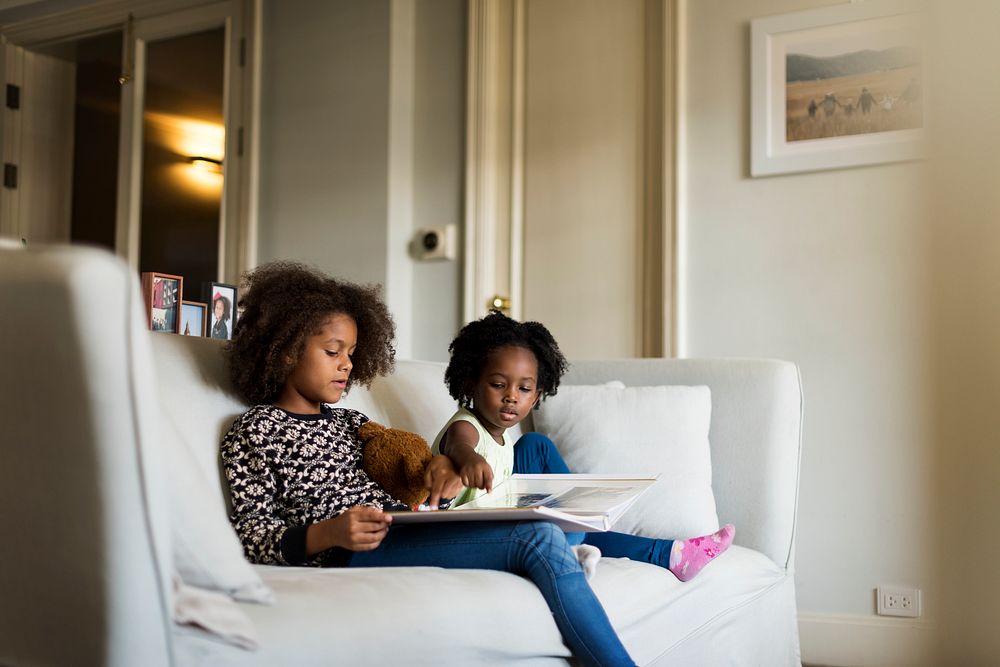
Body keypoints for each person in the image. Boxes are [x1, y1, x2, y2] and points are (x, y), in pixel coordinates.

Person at [221, 261, 639, 667]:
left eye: (351, 352)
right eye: (333, 351)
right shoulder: (254, 430)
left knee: (542, 525)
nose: (347, 363)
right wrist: (329, 533)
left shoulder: (351, 422)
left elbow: (405, 465)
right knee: (538, 539)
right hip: (348, 550)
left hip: (405, 525)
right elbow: (251, 539)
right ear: (285, 350)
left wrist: (437, 470)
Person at [432, 311, 735, 583]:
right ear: (471, 383)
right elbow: (459, 443)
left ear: (536, 397)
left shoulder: (502, 436)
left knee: (536, 445)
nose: (512, 396)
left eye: (523, 389)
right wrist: (468, 458)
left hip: (501, 512)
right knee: (574, 528)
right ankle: (662, 553)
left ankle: (587, 517)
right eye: (498, 385)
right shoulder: (466, 425)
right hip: (476, 534)